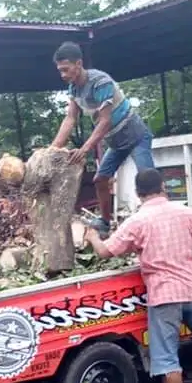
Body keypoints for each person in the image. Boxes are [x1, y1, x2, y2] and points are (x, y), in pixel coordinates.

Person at [84, 168, 192, 383]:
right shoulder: (184, 212)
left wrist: (93, 236)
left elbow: (107, 252)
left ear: (139, 193)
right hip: (191, 289)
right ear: (163, 186)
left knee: (166, 357)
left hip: (164, 295)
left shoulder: (138, 221)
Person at [50, 41, 155, 238]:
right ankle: (105, 223)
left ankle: (158, 223)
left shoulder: (100, 82)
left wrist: (85, 148)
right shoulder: (74, 89)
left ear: (78, 64)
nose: (63, 75)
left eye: (66, 69)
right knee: (100, 180)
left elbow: (105, 121)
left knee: (148, 181)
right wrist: (53, 149)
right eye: (60, 71)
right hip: (116, 142)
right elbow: (71, 118)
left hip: (135, 136)